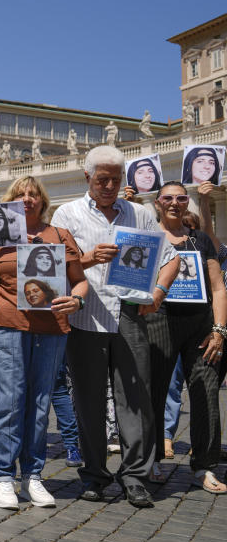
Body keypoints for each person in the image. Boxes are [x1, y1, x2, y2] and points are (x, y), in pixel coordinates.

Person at [50, 145, 179, 508]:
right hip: (85, 316)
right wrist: (89, 258)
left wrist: (157, 293)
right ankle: (94, 474)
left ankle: (135, 476)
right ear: (86, 177)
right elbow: (52, 267)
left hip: (129, 315)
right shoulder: (67, 214)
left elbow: (170, 259)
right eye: (102, 179)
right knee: (88, 400)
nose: (109, 186)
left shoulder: (139, 213)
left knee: (135, 399)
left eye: (115, 179)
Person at [0, 175, 88, 509]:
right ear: (11, 202)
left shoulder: (59, 235)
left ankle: (33, 475)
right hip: (7, 325)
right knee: (10, 401)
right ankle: (1, 476)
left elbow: (80, 282)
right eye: (21, 194)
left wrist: (77, 301)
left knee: (40, 402)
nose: (28, 198)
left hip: (51, 328)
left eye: (33, 194)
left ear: (42, 200)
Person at [148, 182, 226, 493]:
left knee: (207, 391)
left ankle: (204, 466)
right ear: (157, 203)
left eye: (181, 198)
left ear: (186, 204)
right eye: (168, 198)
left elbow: (219, 288)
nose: (175, 203)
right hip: (158, 321)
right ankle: (150, 458)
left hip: (201, 327)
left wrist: (219, 330)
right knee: (153, 392)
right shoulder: (148, 236)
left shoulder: (200, 240)